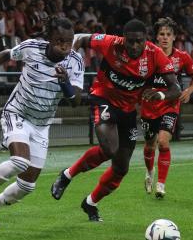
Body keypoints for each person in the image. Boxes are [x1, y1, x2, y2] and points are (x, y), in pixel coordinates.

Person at [0, 16, 85, 227]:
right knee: (20, 161)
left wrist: (65, 82)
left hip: (42, 125)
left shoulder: (75, 61)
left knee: (27, 186)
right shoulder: (31, 48)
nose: (65, 47)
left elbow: (76, 101)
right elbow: (7, 54)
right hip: (18, 113)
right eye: (60, 41)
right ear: (50, 38)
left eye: (69, 42)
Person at [50, 19, 181, 222]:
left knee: (121, 168)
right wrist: (68, 62)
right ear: (124, 39)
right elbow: (80, 39)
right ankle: (67, 175)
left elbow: (176, 89)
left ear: (146, 40)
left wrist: (161, 95)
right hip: (103, 98)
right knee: (110, 148)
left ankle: (90, 203)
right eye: (130, 41)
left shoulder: (156, 55)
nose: (134, 46)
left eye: (139, 42)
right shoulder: (111, 43)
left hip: (127, 110)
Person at [141, 17, 193, 198]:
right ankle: (150, 173)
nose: (165, 37)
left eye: (168, 34)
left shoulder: (182, 57)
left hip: (170, 106)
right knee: (150, 145)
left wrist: (189, 91)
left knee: (163, 141)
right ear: (157, 37)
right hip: (149, 107)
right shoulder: (147, 55)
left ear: (174, 37)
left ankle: (161, 184)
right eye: (161, 34)